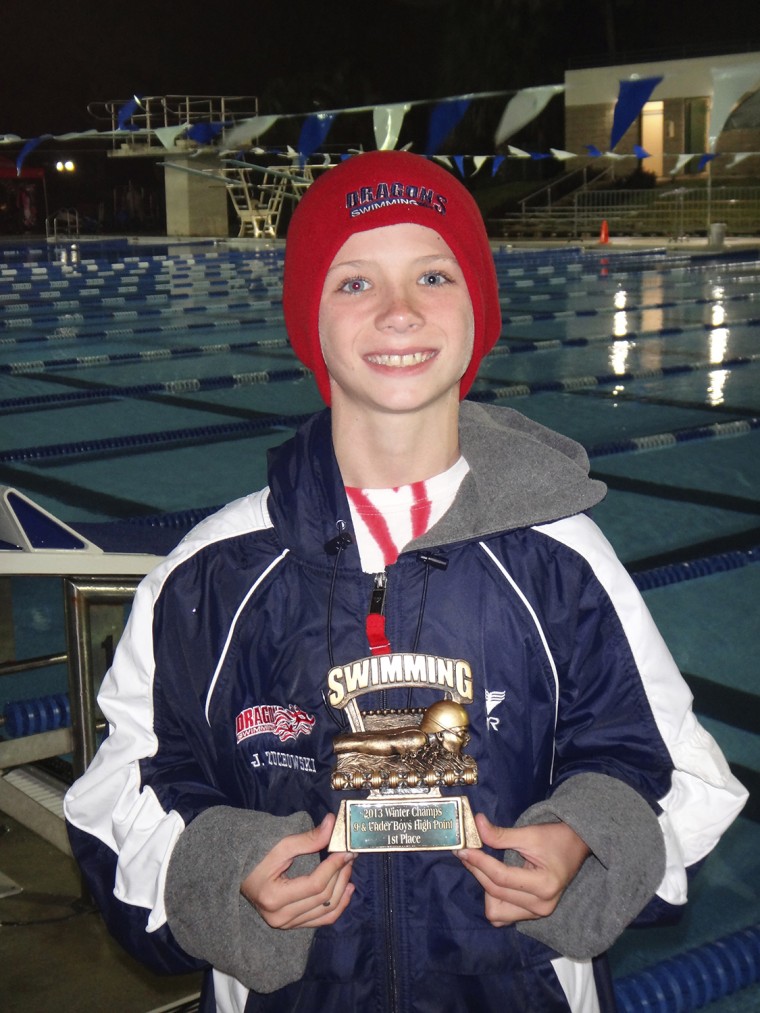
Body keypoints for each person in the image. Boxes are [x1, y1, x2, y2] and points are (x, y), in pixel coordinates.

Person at [64, 150, 747, 1013]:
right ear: (308, 317)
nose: (398, 312)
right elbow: (113, 798)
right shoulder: (212, 573)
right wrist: (222, 867)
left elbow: (684, 776)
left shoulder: (562, 557)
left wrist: (585, 840)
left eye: (433, 274)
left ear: (477, 311)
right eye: (355, 283)